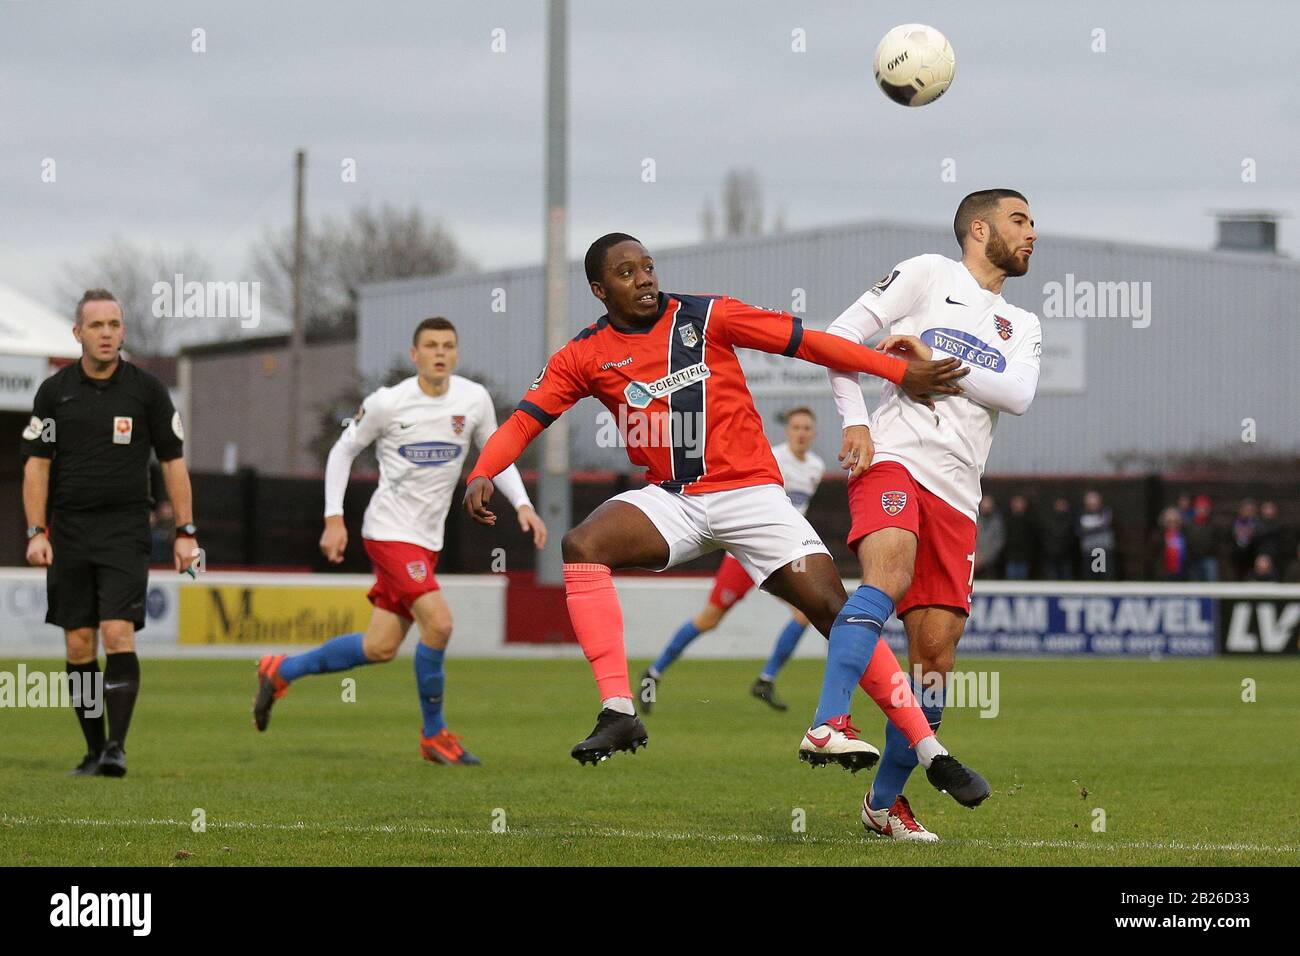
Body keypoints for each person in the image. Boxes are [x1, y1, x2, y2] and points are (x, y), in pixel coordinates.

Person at [464, 232, 985, 811]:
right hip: (674, 498)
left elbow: (812, 345)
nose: (643, 280)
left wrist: (893, 371)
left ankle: (930, 749)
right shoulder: (584, 354)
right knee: (582, 544)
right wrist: (483, 470)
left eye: (648, 267)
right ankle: (618, 711)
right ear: (598, 288)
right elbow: (524, 421)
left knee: (837, 614)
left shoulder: (708, 315)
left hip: (753, 497)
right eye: (626, 272)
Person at [827, 188, 1040, 840]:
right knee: (885, 576)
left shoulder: (1022, 324)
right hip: (893, 461)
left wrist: (927, 360)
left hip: (957, 495)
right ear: (979, 228)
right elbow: (838, 339)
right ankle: (829, 722)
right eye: (1019, 220)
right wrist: (858, 421)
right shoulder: (927, 273)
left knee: (935, 664)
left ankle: (883, 802)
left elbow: (1019, 395)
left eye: (1033, 222)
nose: (1032, 232)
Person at [252, 317, 546, 766]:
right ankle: (434, 735)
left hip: (426, 541)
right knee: (441, 624)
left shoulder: (473, 399)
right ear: (415, 354)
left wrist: (522, 503)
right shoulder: (388, 403)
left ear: (456, 353)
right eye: (430, 345)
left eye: (448, 345)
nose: (440, 353)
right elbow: (342, 450)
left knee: (380, 647)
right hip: (389, 534)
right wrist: (334, 518)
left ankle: (280, 670)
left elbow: (496, 455)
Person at [22, 289, 199, 777]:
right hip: (71, 531)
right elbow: (37, 466)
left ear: (123, 331)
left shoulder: (146, 391)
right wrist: (37, 530)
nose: (106, 333)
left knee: (118, 633)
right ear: (78, 333)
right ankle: (93, 748)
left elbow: (173, 463)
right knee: (79, 645)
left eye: (114, 325)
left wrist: (185, 531)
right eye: (96, 325)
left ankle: (117, 749)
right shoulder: (55, 393)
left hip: (125, 529)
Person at [640, 407, 825, 713]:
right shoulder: (773, 459)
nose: (801, 433)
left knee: (805, 612)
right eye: (796, 427)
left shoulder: (816, 467)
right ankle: (654, 672)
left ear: (814, 434)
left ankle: (765, 680)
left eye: (807, 428)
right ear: (787, 431)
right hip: (744, 552)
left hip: (779, 554)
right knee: (709, 619)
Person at [1078, 490, 1116, 580]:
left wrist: (1088, 528)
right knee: (1089, 575)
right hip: (1088, 549)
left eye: (1094, 503)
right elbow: (1079, 531)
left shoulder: (1105, 511)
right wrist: (1095, 526)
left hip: (1101, 549)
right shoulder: (1081, 513)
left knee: (1103, 575)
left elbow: (1104, 525)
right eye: (1090, 503)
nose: (1092, 505)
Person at [1184, 494, 1219, 582]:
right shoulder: (1189, 525)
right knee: (1195, 583)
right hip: (1193, 559)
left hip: (1209, 559)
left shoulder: (1213, 524)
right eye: (1200, 507)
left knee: (1212, 582)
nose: (1202, 510)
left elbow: (1217, 542)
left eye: (1205, 508)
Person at [1002, 494, 1038, 580]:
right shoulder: (1007, 520)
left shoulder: (1030, 520)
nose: (1018, 505)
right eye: (1016, 503)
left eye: (1020, 503)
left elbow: (1033, 538)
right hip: (1011, 556)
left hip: (1025, 557)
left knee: (1023, 581)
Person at [1040, 496, 1076, 580]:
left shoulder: (1070, 519)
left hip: (1066, 555)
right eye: (1059, 505)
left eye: (1063, 505)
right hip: (1051, 554)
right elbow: (1043, 535)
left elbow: (1073, 537)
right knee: (1052, 578)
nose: (1061, 507)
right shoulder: (1048, 519)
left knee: (1066, 577)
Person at [1150, 507, 1187, 581]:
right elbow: (1152, 555)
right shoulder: (1158, 536)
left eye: (1175, 521)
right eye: (1169, 521)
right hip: (1164, 575)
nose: (1172, 524)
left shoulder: (1184, 535)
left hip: (1181, 575)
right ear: (1164, 522)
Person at [974, 495, 1006, 579]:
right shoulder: (974, 521)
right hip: (972, 562)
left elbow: (998, 543)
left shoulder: (997, 523)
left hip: (990, 565)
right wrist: (975, 556)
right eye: (984, 506)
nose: (986, 509)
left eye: (988, 507)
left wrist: (984, 559)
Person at [1230, 499, 1258, 581]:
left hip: (1251, 555)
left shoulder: (1256, 523)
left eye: (1250, 510)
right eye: (1246, 509)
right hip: (1237, 555)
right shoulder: (1235, 522)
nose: (1248, 512)